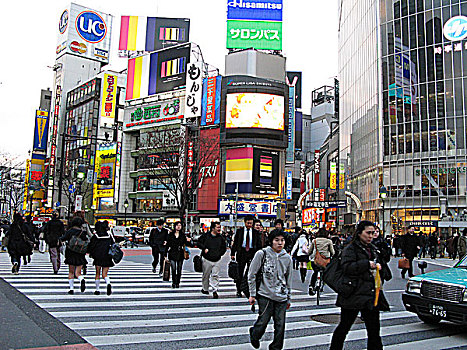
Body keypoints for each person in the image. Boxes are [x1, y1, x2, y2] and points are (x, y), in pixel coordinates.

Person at [329, 220, 391, 350]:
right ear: (359, 233)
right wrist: (366, 264)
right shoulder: (350, 249)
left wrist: (381, 263)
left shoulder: (373, 248)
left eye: (373, 233)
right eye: (368, 233)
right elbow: (347, 267)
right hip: (353, 293)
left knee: (374, 331)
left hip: (371, 294)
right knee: (344, 327)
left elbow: (384, 268)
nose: (370, 236)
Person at [248, 229, 292, 350]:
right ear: (271, 241)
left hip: (281, 296)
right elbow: (252, 274)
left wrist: (289, 297)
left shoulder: (287, 258)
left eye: (282, 240)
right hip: (265, 294)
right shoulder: (262, 254)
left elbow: (288, 279)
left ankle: (276, 347)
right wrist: (252, 294)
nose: (280, 243)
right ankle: (255, 334)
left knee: (280, 324)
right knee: (263, 321)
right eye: (276, 240)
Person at [231, 215, 262, 297]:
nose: (249, 225)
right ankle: (238, 289)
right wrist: (232, 253)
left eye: (251, 223)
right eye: (248, 223)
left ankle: (249, 289)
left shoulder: (255, 232)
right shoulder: (239, 231)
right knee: (239, 272)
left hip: (252, 253)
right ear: (245, 223)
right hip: (242, 253)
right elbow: (236, 243)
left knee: (251, 272)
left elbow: (258, 244)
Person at [60, 217, 91, 295]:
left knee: (71, 272)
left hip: (71, 252)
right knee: (78, 272)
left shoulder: (70, 231)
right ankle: (81, 279)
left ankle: (71, 288)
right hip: (80, 253)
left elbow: (63, 238)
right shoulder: (83, 232)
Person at [198, 221, 226, 299]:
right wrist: (204, 249)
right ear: (213, 228)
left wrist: (220, 254)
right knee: (206, 275)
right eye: (218, 227)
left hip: (217, 259)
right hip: (207, 258)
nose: (219, 229)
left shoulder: (221, 238)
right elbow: (199, 243)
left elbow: (224, 247)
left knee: (215, 275)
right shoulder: (205, 236)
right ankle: (205, 289)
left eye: (219, 227)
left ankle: (215, 290)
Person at [87, 220, 114, 295]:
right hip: (107, 256)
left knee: (97, 273)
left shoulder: (96, 236)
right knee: (105, 274)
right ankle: (108, 282)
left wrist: (91, 253)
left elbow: (91, 246)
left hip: (98, 256)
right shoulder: (109, 236)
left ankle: (97, 289)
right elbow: (113, 244)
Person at [308, 228, 335, 295]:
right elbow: (333, 252)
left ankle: (311, 285)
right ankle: (322, 283)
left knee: (315, 272)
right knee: (325, 272)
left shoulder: (314, 241)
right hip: (325, 261)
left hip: (315, 261)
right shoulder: (329, 241)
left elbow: (309, 252)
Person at [165, 221, 188, 288]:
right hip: (172, 252)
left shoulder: (183, 235)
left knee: (179, 269)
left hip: (180, 253)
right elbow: (167, 245)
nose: (178, 226)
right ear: (174, 226)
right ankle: (173, 282)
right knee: (173, 268)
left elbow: (186, 243)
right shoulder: (170, 235)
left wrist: (189, 240)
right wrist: (165, 255)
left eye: (180, 225)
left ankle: (177, 282)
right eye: (177, 225)